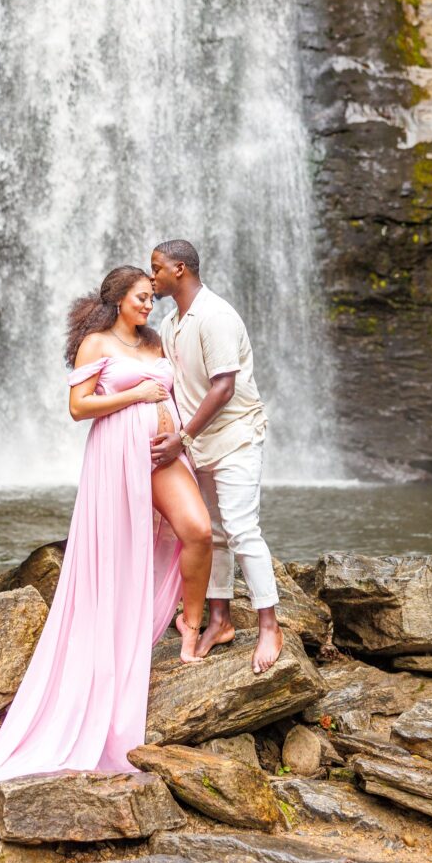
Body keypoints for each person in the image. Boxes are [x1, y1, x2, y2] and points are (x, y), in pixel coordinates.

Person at [0, 265, 212, 863]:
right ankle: (112, 644)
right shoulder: (97, 344)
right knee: (119, 554)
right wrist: (139, 396)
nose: (152, 304)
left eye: (154, 297)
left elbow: (174, 386)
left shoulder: (155, 341)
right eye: (144, 298)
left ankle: (192, 624)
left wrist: (175, 421)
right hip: (114, 459)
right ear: (119, 300)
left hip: (161, 453)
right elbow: (79, 408)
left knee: (198, 531)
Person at [150, 240, 284, 675]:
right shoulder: (172, 323)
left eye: (157, 268)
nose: (152, 277)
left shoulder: (216, 315)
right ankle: (220, 620)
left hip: (235, 437)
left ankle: (270, 626)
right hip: (199, 445)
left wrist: (182, 438)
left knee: (244, 529)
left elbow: (223, 388)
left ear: (180, 269)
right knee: (214, 534)